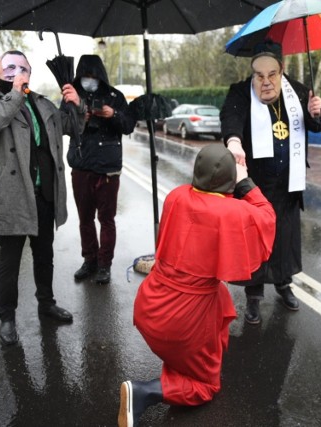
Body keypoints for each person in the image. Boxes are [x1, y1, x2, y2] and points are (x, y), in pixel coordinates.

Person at [118, 144, 276, 427]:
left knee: (210, 316)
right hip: (186, 318)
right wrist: (244, 182)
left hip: (151, 305)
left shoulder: (176, 197)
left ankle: (180, 368)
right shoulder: (231, 213)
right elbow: (266, 216)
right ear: (230, 180)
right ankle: (144, 392)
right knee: (206, 386)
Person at [0, 50, 85, 346]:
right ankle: (7, 318)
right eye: (10, 67)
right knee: (9, 262)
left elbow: (72, 128)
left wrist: (76, 105)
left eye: (23, 68)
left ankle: (46, 304)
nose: (17, 71)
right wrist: (14, 95)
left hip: (44, 193)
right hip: (11, 197)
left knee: (44, 255)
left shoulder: (43, 103)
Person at [220, 40, 321, 325]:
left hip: (288, 184)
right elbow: (230, 117)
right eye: (259, 75)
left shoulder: (300, 92)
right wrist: (233, 141)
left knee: (285, 236)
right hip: (257, 182)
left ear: (282, 70)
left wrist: (318, 112)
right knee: (256, 241)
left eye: (271, 74)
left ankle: (283, 284)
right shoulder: (241, 93)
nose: (265, 81)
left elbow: (314, 125)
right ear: (252, 73)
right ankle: (254, 297)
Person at [67, 55, 136, 285]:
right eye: (85, 76)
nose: (89, 81)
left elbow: (128, 125)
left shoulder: (115, 97)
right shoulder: (71, 96)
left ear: (101, 75)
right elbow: (62, 126)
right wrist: (81, 117)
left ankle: (104, 265)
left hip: (107, 169)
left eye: (94, 76)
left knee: (106, 219)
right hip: (81, 165)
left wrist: (112, 114)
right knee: (84, 219)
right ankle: (90, 260)